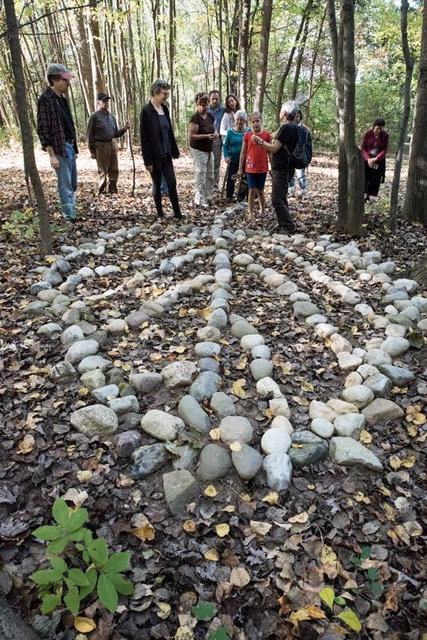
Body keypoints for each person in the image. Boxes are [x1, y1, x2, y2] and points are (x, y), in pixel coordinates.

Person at [37, 63, 78, 222]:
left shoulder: (61, 99)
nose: (68, 83)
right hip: (58, 149)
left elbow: (67, 125)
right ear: (54, 80)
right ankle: (70, 217)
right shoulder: (45, 100)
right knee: (66, 186)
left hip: (69, 146)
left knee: (72, 185)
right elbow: (43, 129)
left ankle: (69, 211)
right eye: (64, 80)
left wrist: (73, 148)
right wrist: (51, 155)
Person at [252, 100, 299, 234]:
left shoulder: (286, 128)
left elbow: (274, 148)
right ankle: (283, 223)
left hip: (283, 168)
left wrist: (260, 142)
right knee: (282, 197)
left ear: (284, 113)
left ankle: (288, 226)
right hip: (288, 167)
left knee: (276, 199)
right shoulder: (296, 127)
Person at [140, 78, 185, 221]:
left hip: (166, 154)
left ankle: (177, 213)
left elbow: (169, 131)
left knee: (172, 182)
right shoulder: (146, 111)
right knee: (157, 184)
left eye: (166, 93)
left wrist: (174, 149)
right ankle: (160, 213)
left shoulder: (164, 109)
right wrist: (147, 161)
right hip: (154, 155)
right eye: (164, 93)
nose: (166, 96)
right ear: (155, 92)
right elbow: (144, 138)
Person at [87, 92, 130, 195]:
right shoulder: (94, 116)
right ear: (99, 102)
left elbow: (115, 134)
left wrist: (124, 129)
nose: (106, 103)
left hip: (111, 144)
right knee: (103, 170)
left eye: (107, 101)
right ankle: (101, 191)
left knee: (114, 168)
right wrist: (92, 150)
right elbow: (89, 135)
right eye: (104, 101)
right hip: (100, 146)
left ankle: (112, 189)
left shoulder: (111, 117)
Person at [238, 111, 272, 217]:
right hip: (250, 168)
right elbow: (243, 152)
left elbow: (270, 152)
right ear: (250, 123)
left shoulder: (266, 135)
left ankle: (262, 210)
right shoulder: (247, 135)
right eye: (253, 122)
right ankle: (251, 212)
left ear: (261, 121)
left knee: (260, 191)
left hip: (262, 168)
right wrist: (240, 168)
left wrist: (272, 167)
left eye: (257, 121)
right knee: (251, 190)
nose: (256, 123)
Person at [188, 92, 218, 208]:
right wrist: (206, 136)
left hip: (209, 148)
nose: (204, 107)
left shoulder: (210, 116)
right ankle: (199, 199)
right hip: (198, 149)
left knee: (210, 173)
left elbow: (213, 129)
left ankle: (208, 197)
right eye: (201, 104)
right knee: (201, 173)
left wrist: (215, 134)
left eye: (206, 104)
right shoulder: (195, 118)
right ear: (197, 105)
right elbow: (191, 136)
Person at [223, 109, 250, 203]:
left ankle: (241, 196)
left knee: (244, 179)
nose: (239, 122)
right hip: (233, 160)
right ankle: (229, 196)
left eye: (241, 119)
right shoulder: (230, 132)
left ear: (245, 121)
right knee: (231, 178)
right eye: (237, 119)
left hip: (246, 160)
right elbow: (225, 145)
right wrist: (226, 156)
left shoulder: (248, 131)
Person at [361, 118, 389, 202]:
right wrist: (368, 159)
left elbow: (384, 149)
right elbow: (363, 147)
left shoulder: (385, 135)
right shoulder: (368, 134)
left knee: (374, 178)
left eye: (381, 129)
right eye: (377, 128)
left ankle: (368, 196)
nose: (379, 131)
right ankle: (361, 194)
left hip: (378, 160)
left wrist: (376, 159)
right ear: (374, 127)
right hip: (367, 159)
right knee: (365, 176)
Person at [288, 109, 310, 199]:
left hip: (300, 153)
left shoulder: (302, 127)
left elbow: (309, 136)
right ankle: (291, 189)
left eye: (298, 117)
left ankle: (303, 189)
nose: (296, 119)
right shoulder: (289, 126)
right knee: (290, 172)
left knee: (300, 172)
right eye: (295, 117)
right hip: (290, 152)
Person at [207, 90, 225, 192]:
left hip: (218, 140)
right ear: (209, 99)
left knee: (216, 164)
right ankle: (207, 185)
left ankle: (215, 185)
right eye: (212, 98)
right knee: (207, 163)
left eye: (216, 99)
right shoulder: (205, 109)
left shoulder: (223, 110)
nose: (214, 100)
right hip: (206, 140)